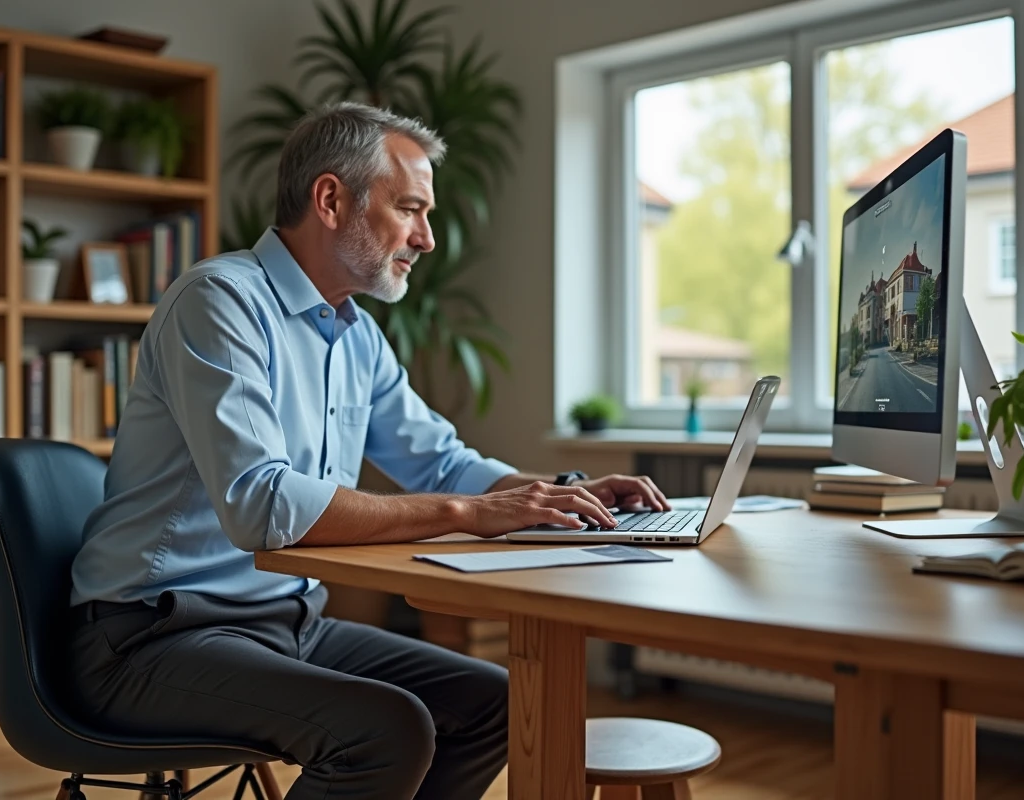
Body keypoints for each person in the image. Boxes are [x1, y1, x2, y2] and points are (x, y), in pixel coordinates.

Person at [68, 101, 672, 800]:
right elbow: (262, 506)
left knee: (496, 704)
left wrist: (560, 491)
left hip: (284, 623)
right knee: (386, 730)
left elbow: (442, 461)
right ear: (331, 199)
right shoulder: (220, 301)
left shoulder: (356, 336)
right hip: (150, 636)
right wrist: (464, 512)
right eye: (412, 208)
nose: (428, 237)